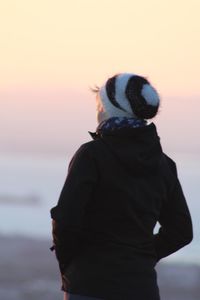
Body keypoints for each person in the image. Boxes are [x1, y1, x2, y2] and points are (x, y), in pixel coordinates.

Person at [49, 73, 193, 300]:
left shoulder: (92, 155)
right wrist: (141, 257)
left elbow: (66, 220)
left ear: (110, 108)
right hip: (141, 287)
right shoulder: (164, 164)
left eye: (99, 104)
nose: (97, 111)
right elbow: (181, 232)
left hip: (89, 286)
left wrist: (73, 266)